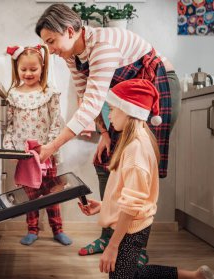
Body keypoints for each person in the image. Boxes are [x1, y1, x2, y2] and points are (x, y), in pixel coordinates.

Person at [35, 3, 181, 259]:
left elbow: (93, 103)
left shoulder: (103, 45)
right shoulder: (72, 55)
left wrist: (52, 147)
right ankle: (108, 237)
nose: (51, 49)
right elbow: (85, 96)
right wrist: (103, 134)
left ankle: (135, 249)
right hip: (127, 101)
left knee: (139, 171)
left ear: (70, 31)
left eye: (51, 41)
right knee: (106, 162)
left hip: (157, 87)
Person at [78, 79, 214, 279]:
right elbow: (127, 193)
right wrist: (104, 205)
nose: (109, 116)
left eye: (112, 109)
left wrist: (112, 246)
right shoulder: (136, 140)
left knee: (123, 276)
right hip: (132, 224)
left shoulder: (136, 149)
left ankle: (195, 276)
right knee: (130, 274)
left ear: (129, 110)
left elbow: (132, 204)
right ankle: (196, 276)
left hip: (131, 229)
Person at [3, 44, 72, 246]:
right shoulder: (13, 95)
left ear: (42, 67)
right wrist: (11, 149)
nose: (28, 73)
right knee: (30, 195)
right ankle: (32, 229)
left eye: (33, 69)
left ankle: (57, 229)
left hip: (46, 153)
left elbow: (56, 123)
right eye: (23, 69)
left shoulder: (49, 92)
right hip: (25, 156)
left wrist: (49, 148)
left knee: (51, 192)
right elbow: (9, 125)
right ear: (16, 69)